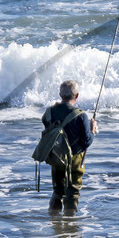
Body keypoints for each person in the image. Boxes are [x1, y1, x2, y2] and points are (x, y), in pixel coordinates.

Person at [40, 78, 93, 214]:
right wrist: (92, 130)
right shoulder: (81, 116)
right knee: (72, 193)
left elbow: (47, 128)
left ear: (60, 95)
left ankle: (54, 220)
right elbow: (86, 141)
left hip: (56, 157)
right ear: (76, 96)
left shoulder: (49, 113)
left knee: (57, 191)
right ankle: (69, 226)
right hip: (75, 160)